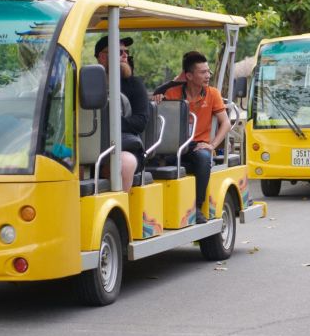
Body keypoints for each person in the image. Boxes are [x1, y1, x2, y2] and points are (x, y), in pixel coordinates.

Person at [162, 51, 231, 224]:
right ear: (189, 76)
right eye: (203, 72)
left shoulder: (212, 93)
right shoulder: (172, 93)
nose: (208, 76)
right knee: (155, 160)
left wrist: (212, 145)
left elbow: (226, 123)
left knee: (203, 157)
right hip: (175, 144)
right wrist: (158, 96)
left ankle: (197, 207)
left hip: (198, 145)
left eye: (208, 72)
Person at [95, 35, 150, 192]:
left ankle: (121, 211)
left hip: (124, 146)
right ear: (102, 56)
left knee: (124, 163)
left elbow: (141, 121)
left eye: (126, 52)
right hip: (88, 145)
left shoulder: (134, 84)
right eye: (119, 52)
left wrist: (109, 123)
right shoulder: (86, 82)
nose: (125, 55)